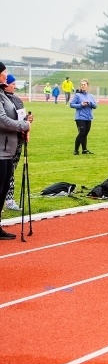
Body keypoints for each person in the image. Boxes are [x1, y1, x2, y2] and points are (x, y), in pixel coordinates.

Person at [0, 62, 32, 239]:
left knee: (3, 188)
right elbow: (2, 120)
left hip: (8, 149)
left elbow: (11, 116)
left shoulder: (4, 95)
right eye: (4, 72)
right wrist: (24, 124)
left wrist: (23, 128)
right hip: (0, 150)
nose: (6, 75)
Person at [1, 75, 26, 212]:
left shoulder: (17, 100)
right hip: (4, 141)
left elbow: (21, 118)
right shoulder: (2, 99)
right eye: (12, 83)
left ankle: (8, 199)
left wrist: (27, 121)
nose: (14, 86)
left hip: (17, 140)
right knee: (4, 173)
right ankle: (4, 199)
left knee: (11, 171)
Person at [70, 79, 97, 155]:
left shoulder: (90, 96)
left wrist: (90, 103)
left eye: (84, 84)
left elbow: (95, 106)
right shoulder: (77, 95)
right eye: (81, 84)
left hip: (88, 117)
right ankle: (76, 150)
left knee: (85, 134)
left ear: (87, 86)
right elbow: (71, 104)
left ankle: (84, 150)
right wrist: (81, 105)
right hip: (80, 117)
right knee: (81, 133)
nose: (83, 86)